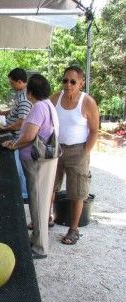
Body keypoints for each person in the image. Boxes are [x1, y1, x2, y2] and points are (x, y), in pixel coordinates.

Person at [3, 74, 59, 259]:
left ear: (31, 91)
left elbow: (29, 136)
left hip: (36, 161)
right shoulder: (49, 105)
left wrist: (14, 145)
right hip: (45, 161)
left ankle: (40, 247)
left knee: (38, 203)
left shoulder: (38, 108)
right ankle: (35, 238)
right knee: (39, 200)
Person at [50, 65, 99, 245]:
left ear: (81, 83)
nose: (68, 85)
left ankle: (74, 229)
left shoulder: (87, 102)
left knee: (77, 192)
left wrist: (84, 153)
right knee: (50, 186)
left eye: (72, 81)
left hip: (78, 150)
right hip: (56, 149)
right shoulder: (55, 98)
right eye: (65, 80)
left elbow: (94, 131)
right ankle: (48, 218)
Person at [0, 68, 32, 201]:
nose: (11, 85)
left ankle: (23, 195)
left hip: (17, 136)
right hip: (15, 134)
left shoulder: (24, 98)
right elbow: (15, 110)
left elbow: (21, 122)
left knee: (19, 168)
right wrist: (3, 113)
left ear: (20, 82)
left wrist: (5, 128)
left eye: (12, 83)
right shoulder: (22, 94)